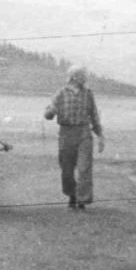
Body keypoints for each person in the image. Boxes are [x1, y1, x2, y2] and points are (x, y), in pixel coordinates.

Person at [44, 65, 105, 210]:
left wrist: (100, 136)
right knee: (67, 169)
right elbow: (47, 115)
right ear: (74, 77)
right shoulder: (60, 94)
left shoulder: (88, 94)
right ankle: (72, 195)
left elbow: (94, 116)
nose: (85, 78)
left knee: (84, 168)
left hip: (84, 132)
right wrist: (51, 111)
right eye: (83, 75)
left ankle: (82, 199)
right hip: (66, 133)